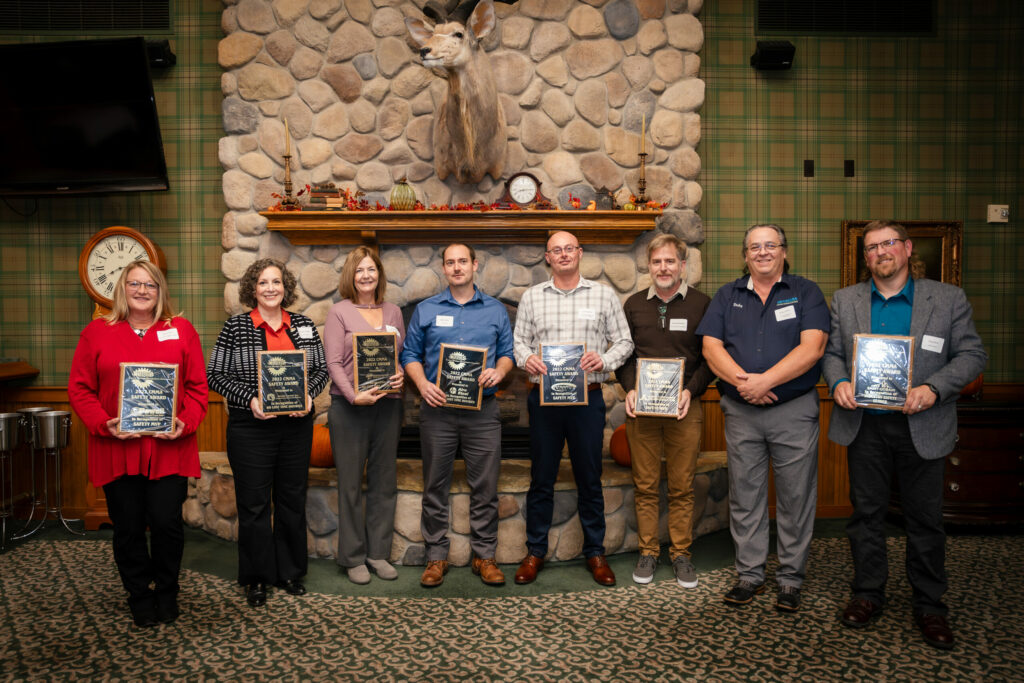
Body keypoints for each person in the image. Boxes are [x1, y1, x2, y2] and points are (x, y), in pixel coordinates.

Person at [823, 220, 986, 650]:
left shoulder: (947, 299)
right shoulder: (846, 299)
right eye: (872, 247)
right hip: (866, 425)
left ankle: (930, 605)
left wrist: (933, 389)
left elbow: (972, 354)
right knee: (866, 515)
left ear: (908, 248)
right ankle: (868, 593)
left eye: (889, 243)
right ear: (866, 257)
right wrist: (838, 381)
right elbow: (833, 354)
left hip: (924, 423)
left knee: (926, 520)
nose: (881, 252)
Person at [695, 224, 829, 612]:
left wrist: (765, 381)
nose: (763, 252)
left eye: (771, 245)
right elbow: (710, 347)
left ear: (785, 252)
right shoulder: (727, 295)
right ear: (746, 255)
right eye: (755, 247)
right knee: (746, 496)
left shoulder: (806, 292)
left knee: (795, 497)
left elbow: (814, 347)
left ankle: (790, 580)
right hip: (741, 413)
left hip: (793, 411)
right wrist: (745, 384)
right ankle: (750, 575)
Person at [69, 262, 208, 628]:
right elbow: (80, 389)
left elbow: (197, 389)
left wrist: (185, 421)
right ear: (123, 288)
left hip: (168, 449)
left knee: (167, 524)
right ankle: (139, 594)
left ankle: (166, 590)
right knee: (128, 527)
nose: (142, 291)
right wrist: (104, 423)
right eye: (135, 284)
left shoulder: (180, 331)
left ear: (160, 290)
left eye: (150, 284)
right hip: (118, 448)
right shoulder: (97, 333)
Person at [512, 231, 633, 586]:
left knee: (589, 478)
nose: (563, 254)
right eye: (555, 250)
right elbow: (518, 342)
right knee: (542, 478)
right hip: (544, 401)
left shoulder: (603, 294)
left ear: (580, 253)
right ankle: (535, 551)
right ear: (547, 258)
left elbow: (624, 340)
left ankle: (595, 552)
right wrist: (528, 358)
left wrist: (605, 359)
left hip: (588, 399)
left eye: (569, 249)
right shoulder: (532, 297)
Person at [207, 258, 328, 607]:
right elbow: (216, 375)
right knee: (255, 505)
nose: (271, 288)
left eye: (276, 282)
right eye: (263, 283)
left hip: (295, 428)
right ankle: (257, 577)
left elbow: (319, 370)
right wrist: (251, 399)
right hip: (251, 429)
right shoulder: (236, 328)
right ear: (253, 289)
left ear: (286, 287)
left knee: (292, 501)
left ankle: (289, 572)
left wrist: (308, 395)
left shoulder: (303, 326)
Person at [400, 243, 515, 588]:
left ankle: (485, 556)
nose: (457, 267)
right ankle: (436, 557)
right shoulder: (426, 309)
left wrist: (500, 372)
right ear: (444, 269)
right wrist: (421, 385)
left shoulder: (496, 310)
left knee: (485, 486)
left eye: (462, 261)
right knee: (435, 485)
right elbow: (409, 354)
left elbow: (508, 354)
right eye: (450, 263)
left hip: (483, 412)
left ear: (475, 265)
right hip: (438, 412)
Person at [619, 234, 714, 587]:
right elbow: (624, 357)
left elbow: (711, 359)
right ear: (649, 266)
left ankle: (681, 554)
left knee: (681, 486)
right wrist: (629, 388)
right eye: (657, 262)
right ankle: (648, 551)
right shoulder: (633, 305)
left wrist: (691, 391)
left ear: (683, 266)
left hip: (684, 410)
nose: (663, 268)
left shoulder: (703, 305)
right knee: (644, 485)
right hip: (641, 411)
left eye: (670, 261)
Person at [324, 246, 405, 585]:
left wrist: (399, 372)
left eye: (371, 269)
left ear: (379, 274)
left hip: (388, 406)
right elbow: (333, 363)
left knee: (385, 482)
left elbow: (397, 356)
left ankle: (378, 553)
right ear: (351, 277)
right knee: (351, 484)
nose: (366, 276)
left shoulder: (394, 311)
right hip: (350, 408)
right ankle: (354, 557)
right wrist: (353, 395)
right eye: (360, 271)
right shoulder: (338, 312)